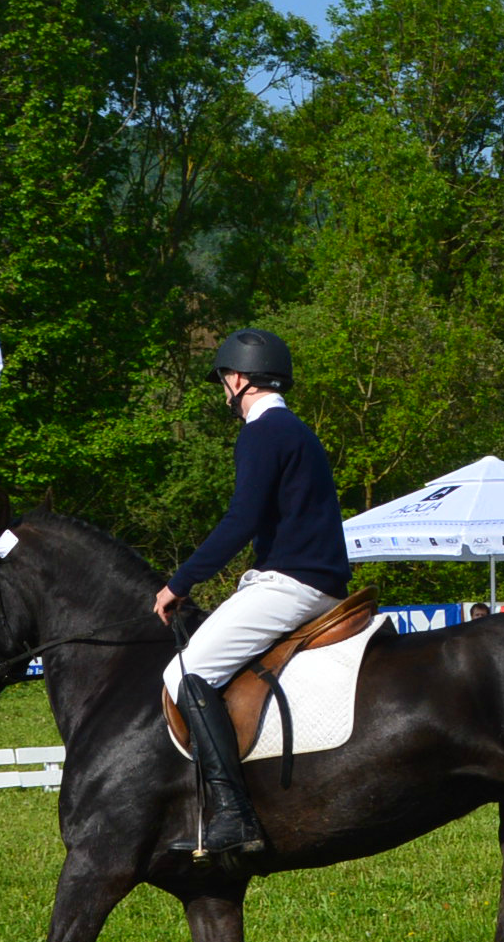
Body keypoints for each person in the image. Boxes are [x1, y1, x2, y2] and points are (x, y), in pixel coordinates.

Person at [151, 328, 357, 864]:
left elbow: (241, 520)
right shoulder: (299, 432)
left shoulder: (261, 434)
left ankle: (234, 815)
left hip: (290, 582)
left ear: (238, 378)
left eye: (224, 380)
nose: (224, 390)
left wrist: (180, 581)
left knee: (185, 674)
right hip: (319, 581)